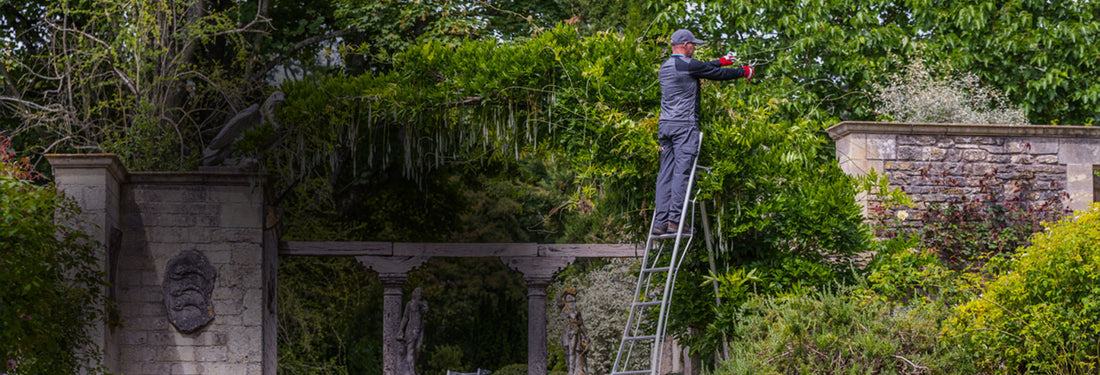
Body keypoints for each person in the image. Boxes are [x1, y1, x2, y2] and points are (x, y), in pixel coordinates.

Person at [653, 29, 753, 237]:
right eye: (693, 44)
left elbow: (703, 67)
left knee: (665, 174)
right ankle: (675, 220)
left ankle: (660, 223)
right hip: (684, 127)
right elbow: (714, 74)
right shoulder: (687, 65)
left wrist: (722, 60)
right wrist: (743, 71)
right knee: (682, 172)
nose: (694, 47)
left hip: (665, 126)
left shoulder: (665, 66)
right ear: (684, 45)